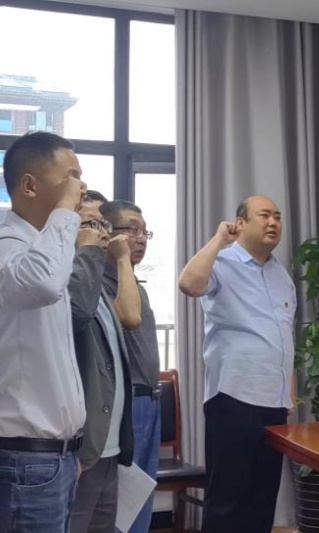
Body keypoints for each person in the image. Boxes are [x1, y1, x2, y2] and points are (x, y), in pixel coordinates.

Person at [179, 195, 296, 532]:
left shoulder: (281, 275)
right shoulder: (221, 261)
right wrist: (219, 240)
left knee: (262, 498)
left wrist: (289, 393)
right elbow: (189, 284)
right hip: (233, 396)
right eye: (264, 215)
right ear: (240, 223)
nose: (273, 222)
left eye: (277, 216)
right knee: (227, 500)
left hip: (274, 402)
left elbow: (285, 335)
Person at [0, 131, 87, 532]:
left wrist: (70, 447)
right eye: (71, 178)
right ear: (30, 185)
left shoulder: (44, 248)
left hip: (53, 456)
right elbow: (43, 284)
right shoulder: (7, 243)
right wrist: (66, 209)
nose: (80, 188)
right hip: (24, 457)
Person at [69, 199, 140, 533]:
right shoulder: (67, 287)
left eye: (103, 226)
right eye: (91, 225)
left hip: (109, 447)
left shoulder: (96, 288)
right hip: (83, 452)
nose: (102, 235)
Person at [99, 200, 160, 533]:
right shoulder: (101, 282)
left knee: (142, 495)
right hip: (127, 403)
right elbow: (129, 319)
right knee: (121, 505)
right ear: (108, 234)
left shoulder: (134, 283)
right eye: (132, 230)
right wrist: (122, 262)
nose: (140, 239)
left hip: (150, 399)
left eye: (145, 232)